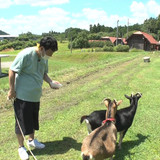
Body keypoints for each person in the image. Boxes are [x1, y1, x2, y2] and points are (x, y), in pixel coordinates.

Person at [8, 36, 60, 160]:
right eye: (49, 54)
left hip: (35, 96)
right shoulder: (26, 54)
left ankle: (31, 140)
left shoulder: (43, 57)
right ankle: (21, 147)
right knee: (21, 122)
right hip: (22, 96)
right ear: (41, 48)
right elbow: (12, 70)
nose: (50, 57)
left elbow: (43, 73)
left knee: (33, 120)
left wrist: (51, 82)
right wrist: (11, 90)